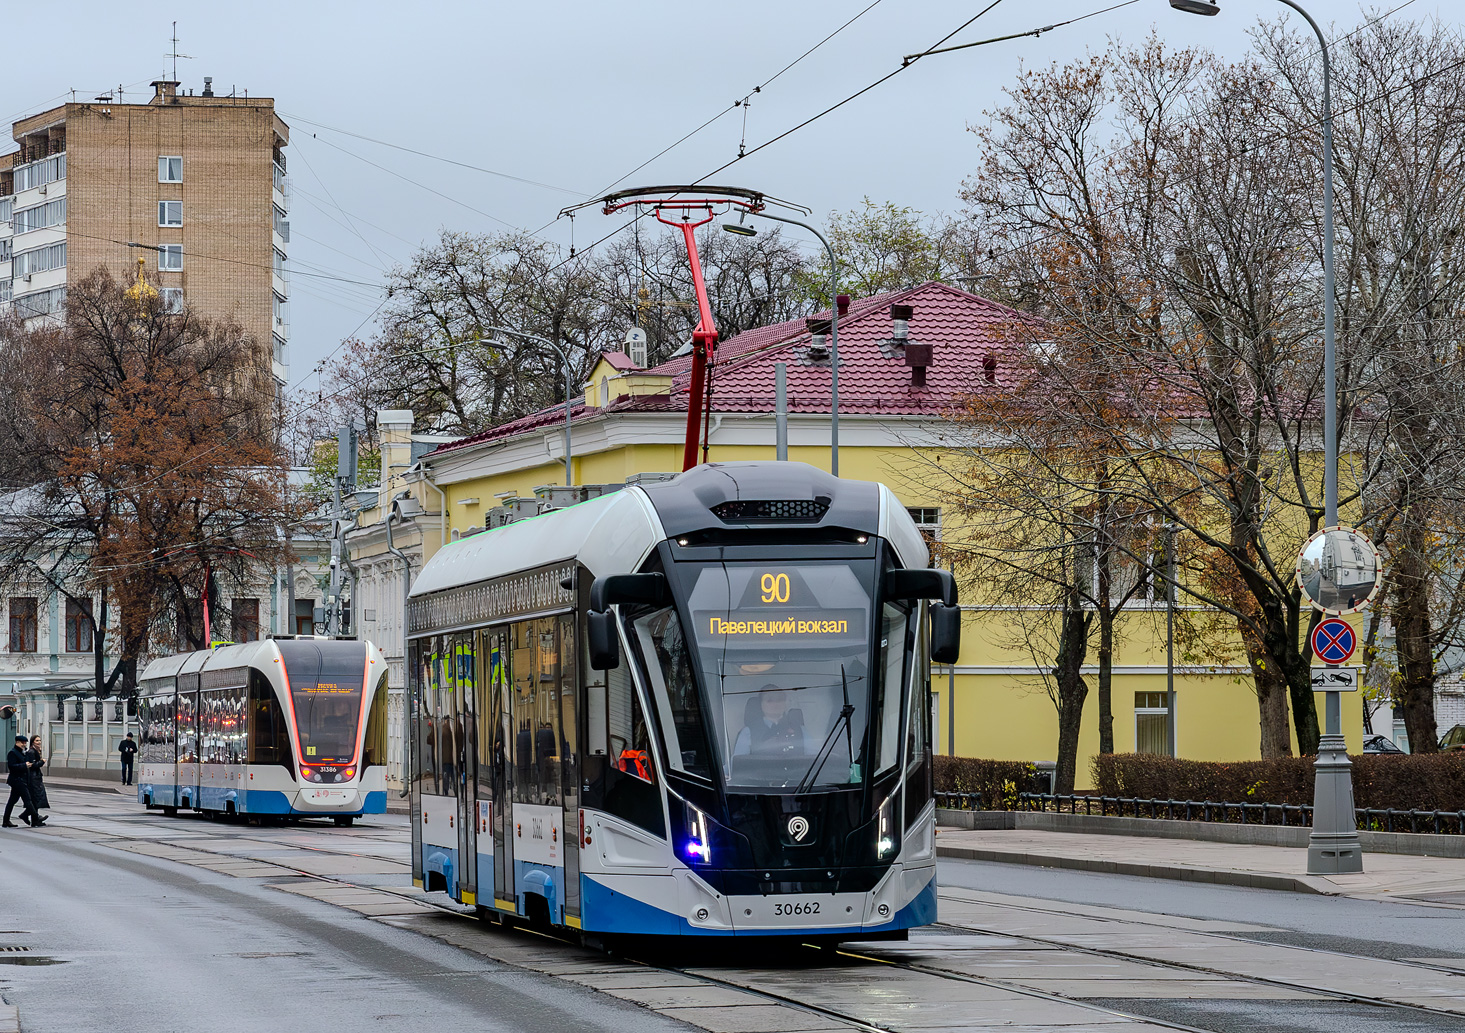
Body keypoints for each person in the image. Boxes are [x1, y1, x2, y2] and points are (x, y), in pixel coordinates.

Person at [733, 687, 818, 757]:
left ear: (785, 703)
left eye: (780, 700)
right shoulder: (748, 732)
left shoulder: (800, 730)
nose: (775, 703)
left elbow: (815, 759)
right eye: (770, 700)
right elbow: (737, 765)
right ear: (761, 704)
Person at [4, 733, 38, 828]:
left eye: (25, 743)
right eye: (22, 743)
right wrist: (24, 765)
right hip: (17, 780)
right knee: (27, 799)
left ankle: (5, 821)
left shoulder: (23, 752)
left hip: (21, 780)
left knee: (12, 802)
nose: (24, 744)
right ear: (17, 742)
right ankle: (36, 817)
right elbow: (11, 766)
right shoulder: (13, 752)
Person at [26, 736, 48, 826]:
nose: (39, 742)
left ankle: (35, 819)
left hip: (36, 777)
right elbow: (33, 765)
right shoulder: (31, 752)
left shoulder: (36, 750)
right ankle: (31, 817)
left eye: (39, 740)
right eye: (36, 740)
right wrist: (42, 762)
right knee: (35, 798)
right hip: (33, 778)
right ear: (32, 742)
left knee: (36, 798)